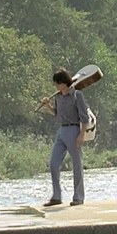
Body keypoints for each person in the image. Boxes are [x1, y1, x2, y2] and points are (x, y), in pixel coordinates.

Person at [39, 69, 89, 206]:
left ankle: (78, 197)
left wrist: (82, 135)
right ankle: (56, 196)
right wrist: (47, 105)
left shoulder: (77, 95)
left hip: (74, 130)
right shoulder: (58, 97)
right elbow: (56, 113)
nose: (55, 86)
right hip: (62, 131)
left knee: (77, 164)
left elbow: (84, 117)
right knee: (53, 164)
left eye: (57, 83)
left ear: (63, 82)